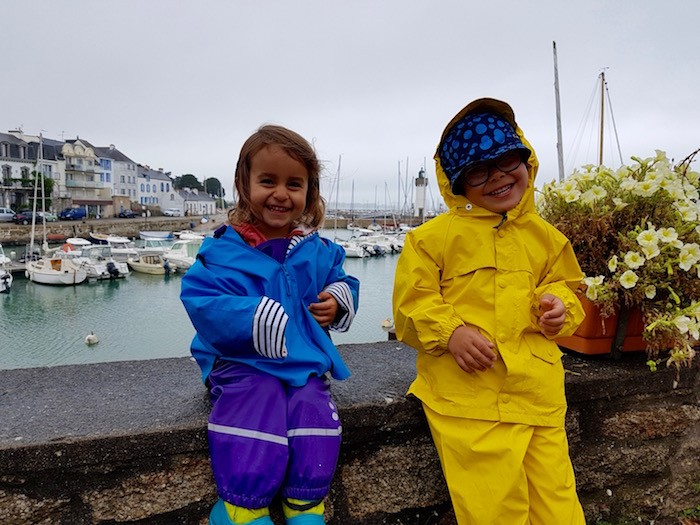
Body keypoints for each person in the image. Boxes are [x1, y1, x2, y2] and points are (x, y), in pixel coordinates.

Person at [392, 98, 586, 524]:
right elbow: (411, 304)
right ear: (458, 184)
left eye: (506, 161)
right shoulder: (430, 240)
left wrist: (559, 308)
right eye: (479, 171)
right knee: (492, 510)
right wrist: (451, 332)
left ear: (526, 161)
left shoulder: (548, 238)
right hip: (468, 402)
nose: (497, 176)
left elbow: (568, 288)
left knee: (559, 507)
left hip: (538, 396)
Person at [181, 125, 360, 525]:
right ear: (244, 185)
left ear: (309, 194)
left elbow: (342, 279)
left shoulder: (318, 249)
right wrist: (252, 318)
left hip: (301, 360)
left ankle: (305, 501)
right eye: (268, 180)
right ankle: (241, 506)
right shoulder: (222, 251)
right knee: (256, 403)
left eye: (294, 184)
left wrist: (337, 299)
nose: (281, 193)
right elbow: (202, 301)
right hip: (240, 360)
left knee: (313, 408)